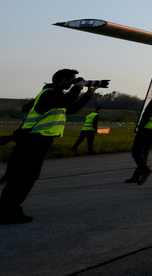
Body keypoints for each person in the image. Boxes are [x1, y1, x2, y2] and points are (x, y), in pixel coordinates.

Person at [0, 69, 96, 223]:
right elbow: (66, 102)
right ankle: (7, 212)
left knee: (21, 177)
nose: (74, 83)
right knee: (25, 178)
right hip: (34, 141)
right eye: (72, 80)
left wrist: (88, 94)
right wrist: (77, 87)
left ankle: (8, 209)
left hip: (35, 140)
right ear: (63, 81)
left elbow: (71, 108)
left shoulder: (53, 94)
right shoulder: (51, 93)